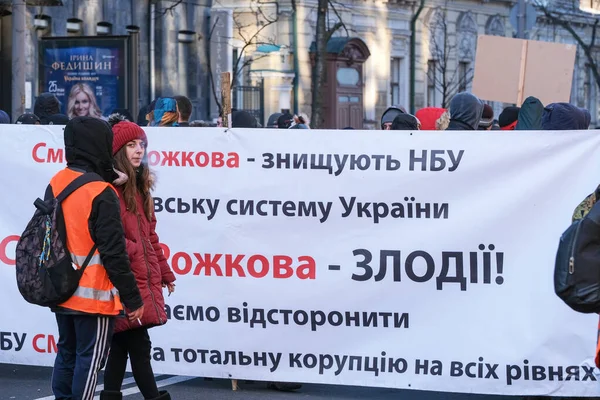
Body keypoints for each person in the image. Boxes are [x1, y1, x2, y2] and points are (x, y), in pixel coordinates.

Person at [50, 116, 144, 400]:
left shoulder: (58, 181)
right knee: (90, 361)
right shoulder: (101, 192)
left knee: (66, 352)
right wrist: (132, 298)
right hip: (94, 295)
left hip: (60, 287)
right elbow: (113, 252)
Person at [100, 116, 176, 400]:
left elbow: (150, 238)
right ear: (118, 151)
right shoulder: (110, 190)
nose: (138, 150)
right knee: (139, 346)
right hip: (124, 280)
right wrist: (133, 251)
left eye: (141, 144)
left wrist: (166, 273)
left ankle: (110, 395)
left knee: (122, 345)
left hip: (138, 278)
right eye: (131, 145)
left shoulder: (140, 189)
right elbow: (113, 240)